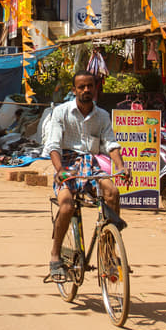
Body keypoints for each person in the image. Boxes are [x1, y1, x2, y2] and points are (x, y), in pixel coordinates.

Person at [41, 71, 130, 282]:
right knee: (66, 206)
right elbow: (53, 145)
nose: (86, 90)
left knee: (112, 192)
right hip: (67, 164)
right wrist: (60, 170)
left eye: (90, 86)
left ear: (95, 88)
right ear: (74, 90)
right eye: (81, 87)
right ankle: (55, 256)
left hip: (91, 164)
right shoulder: (61, 112)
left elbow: (111, 144)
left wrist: (121, 166)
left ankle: (109, 253)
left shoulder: (102, 116)